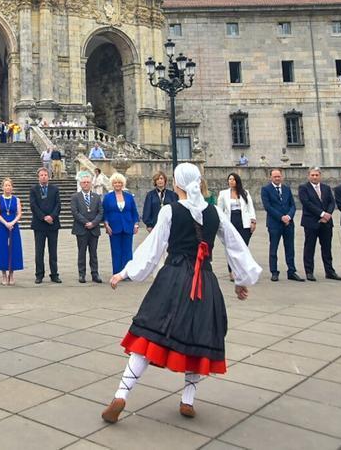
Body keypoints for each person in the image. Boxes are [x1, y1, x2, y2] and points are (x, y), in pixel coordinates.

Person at [102, 163, 261, 424]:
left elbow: (152, 249)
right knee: (198, 337)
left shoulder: (170, 211)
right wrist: (241, 280)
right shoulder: (214, 213)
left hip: (174, 277)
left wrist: (126, 272)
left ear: (177, 184)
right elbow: (236, 245)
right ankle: (188, 399)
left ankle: (121, 394)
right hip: (205, 281)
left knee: (148, 335)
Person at [298, 167, 340, 281]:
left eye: (317, 175)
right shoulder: (303, 188)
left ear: (320, 176)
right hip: (311, 222)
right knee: (309, 247)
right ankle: (309, 271)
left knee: (327, 248)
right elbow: (307, 203)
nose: (315, 177)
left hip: (326, 222)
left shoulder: (326, 188)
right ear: (308, 176)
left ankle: (329, 271)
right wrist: (322, 214)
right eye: (312, 175)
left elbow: (332, 202)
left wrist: (328, 214)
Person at [260, 169, 302, 282]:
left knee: (290, 248)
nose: (277, 178)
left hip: (288, 223)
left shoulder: (286, 189)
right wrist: (281, 217)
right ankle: (274, 271)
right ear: (271, 178)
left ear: (282, 177)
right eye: (275, 177)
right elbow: (268, 206)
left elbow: (293, 205)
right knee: (274, 248)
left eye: (279, 176)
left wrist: (289, 216)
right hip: (274, 223)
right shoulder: (266, 190)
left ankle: (291, 271)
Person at [217, 172, 257, 282]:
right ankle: (232, 271)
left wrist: (253, 221)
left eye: (233, 179)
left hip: (243, 222)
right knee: (231, 248)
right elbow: (220, 210)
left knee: (243, 247)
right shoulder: (223, 194)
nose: (231, 181)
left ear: (237, 181)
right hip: (230, 222)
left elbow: (250, 208)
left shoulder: (245, 193)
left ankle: (242, 270)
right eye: (229, 179)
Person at [102, 173, 140, 275]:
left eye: (119, 182)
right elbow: (105, 212)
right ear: (112, 184)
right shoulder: (107, 197)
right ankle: (117, 272)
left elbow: (134, 211)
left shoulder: (129, 197)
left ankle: (127, 272)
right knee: (116, 251)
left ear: (122, 184)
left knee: (128, 251)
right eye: (115, 183)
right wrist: (106, 224)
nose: (117, 184)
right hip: (114, 227)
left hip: (128, 226)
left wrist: (136, 224)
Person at [29, 168, 62, 284]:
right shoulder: (34, 189)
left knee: (53, 251)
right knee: (39, 251)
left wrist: (51, 217)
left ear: (49, 176)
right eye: (41, 175)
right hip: (39, 224)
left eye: (45, 175)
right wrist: (43, 217)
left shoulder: (55, 189)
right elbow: (33, 206)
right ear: (38, 177)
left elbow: (58, 204)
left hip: (53, 224)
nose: (43, 177)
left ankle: (54, 274)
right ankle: (39, 274)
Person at [71, 171, 104, 283]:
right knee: (82, 252)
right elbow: (75, 212)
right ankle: (82, 274)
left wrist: (93, 223)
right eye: (84, 182)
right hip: (81, 229)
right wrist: (86, 222)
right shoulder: (75, 197)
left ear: (91, 184)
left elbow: (100, 212)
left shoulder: (96, 197)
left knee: (93, 253)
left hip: (94, 229)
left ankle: (95, 274)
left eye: (88, 182)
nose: (86, 184)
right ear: (80, 184)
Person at [0, 177, 24, 285]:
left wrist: (12, 222)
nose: (8, 187)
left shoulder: (16, 199)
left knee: (13, 249)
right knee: (2, 249)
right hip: (2, 225)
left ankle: (11, 274)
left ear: (12, 187)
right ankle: (3, 274)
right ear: (2, 187)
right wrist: (6, 223)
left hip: (13, 226)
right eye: (6, 185)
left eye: (9, 185)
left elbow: (19, 213)